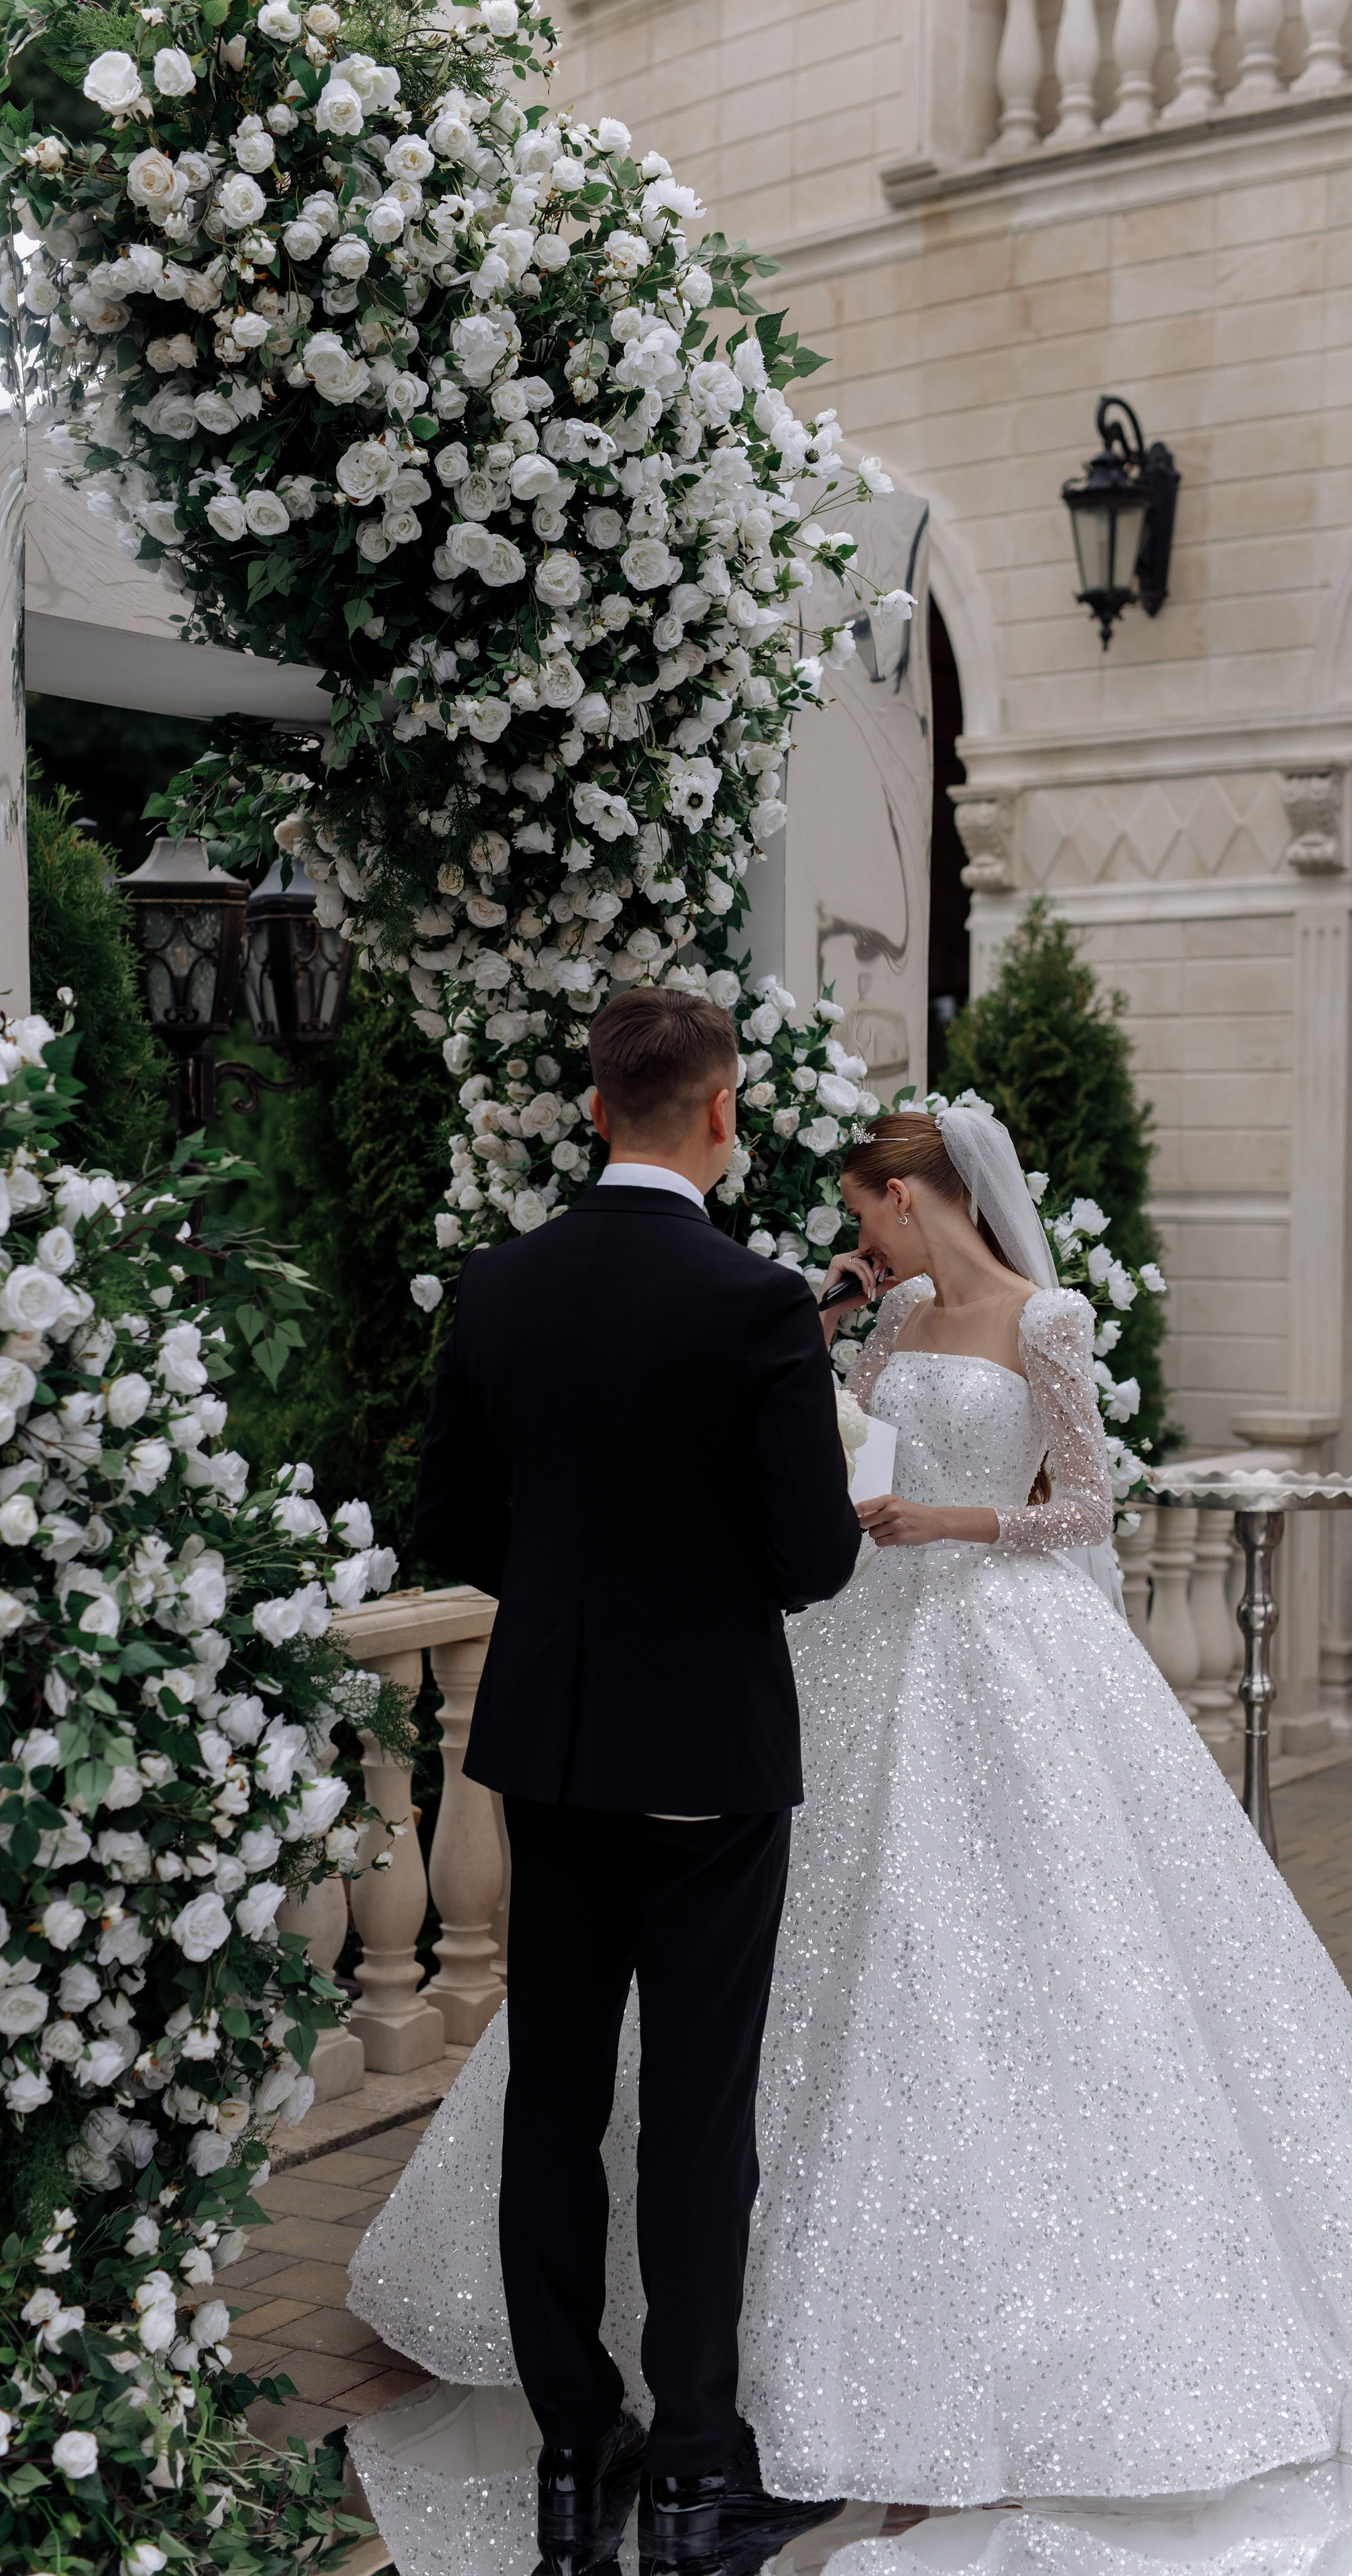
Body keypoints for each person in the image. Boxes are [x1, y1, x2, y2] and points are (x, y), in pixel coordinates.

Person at [359, 1102, 1352, 2515]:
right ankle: (697, 2374)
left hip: (1000, 1638)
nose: (854, 1238)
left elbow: (1086, 1505)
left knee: (1009, 1954)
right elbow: (837, 1463)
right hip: (864, 1635)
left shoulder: (1045, 1317)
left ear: (908, 1193)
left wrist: (949, 1525)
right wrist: (829, 1352)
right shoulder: (880, 1324)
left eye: (863, 1213)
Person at [403, 987, 862, 2563]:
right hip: (707, 1762)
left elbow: (449, 1525)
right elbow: (812, 1561)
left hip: (548, 1745)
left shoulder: (497, 1286)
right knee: (693, 2107)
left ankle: (565, 2441)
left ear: (595, 1110)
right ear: (721, 1113)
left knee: (550, 2091)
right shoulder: (754, 1303)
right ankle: (688, 2464)